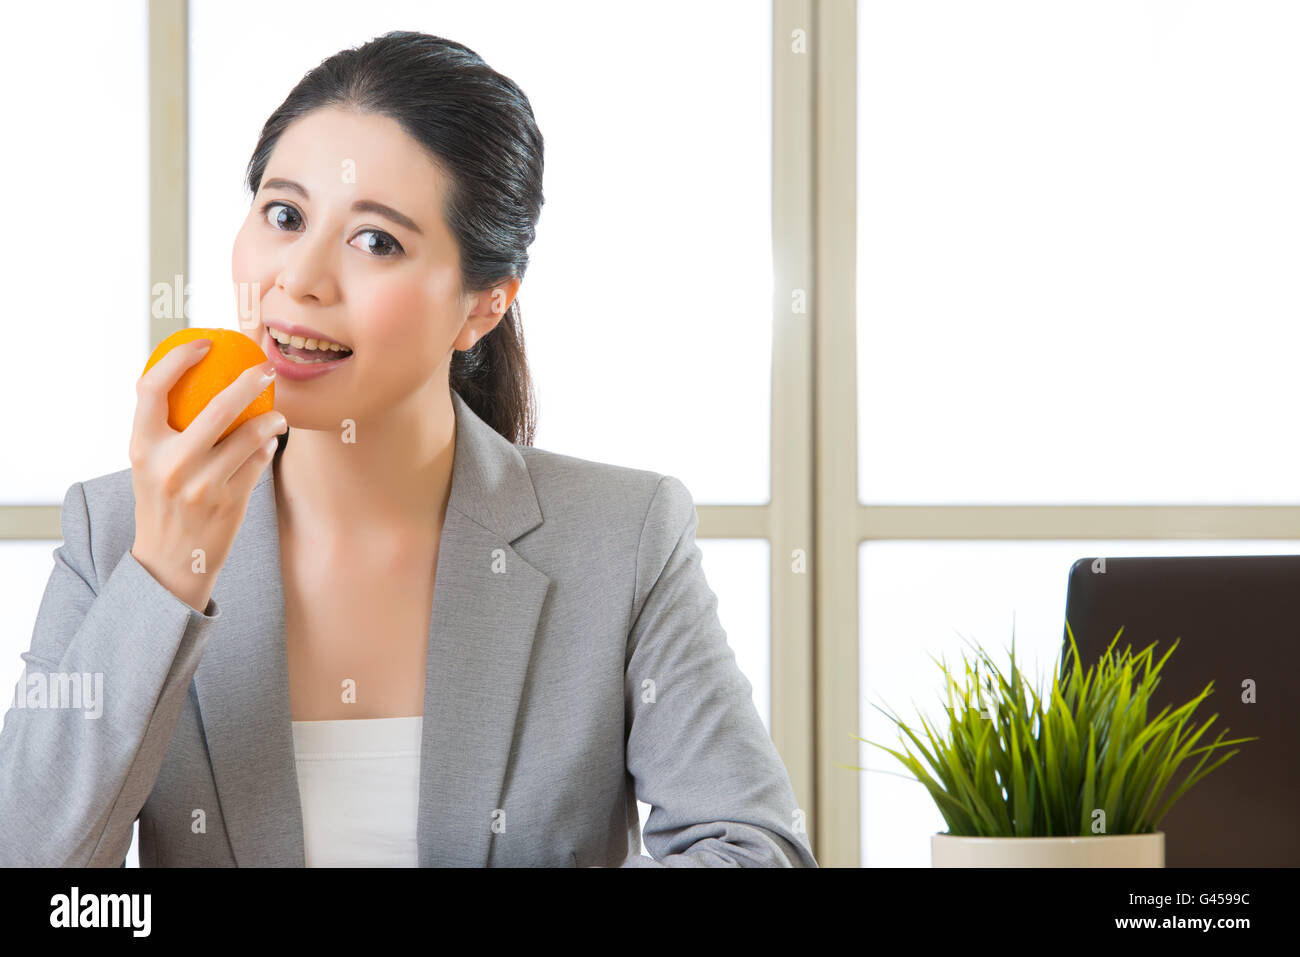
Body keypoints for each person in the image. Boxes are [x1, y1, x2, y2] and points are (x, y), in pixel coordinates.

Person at [0, 31, 815, 868]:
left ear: (483, 306)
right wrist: (163, 576)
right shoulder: (114, 532)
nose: (301, 278)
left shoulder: (625, 537)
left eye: (377, 241)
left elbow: (755, 846)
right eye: (285, 215)